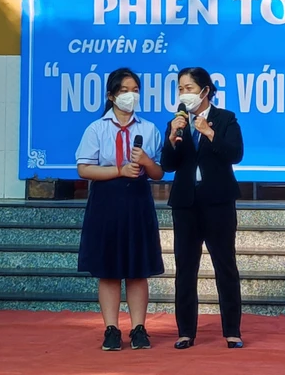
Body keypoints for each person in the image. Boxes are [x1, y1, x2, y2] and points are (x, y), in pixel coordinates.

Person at [75, 68, 165, 351]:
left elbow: (158, 173)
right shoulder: (96, 129)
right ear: (111, 96)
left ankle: (139, 328)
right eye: (125, 90)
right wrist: (119, 170)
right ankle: (111, 329)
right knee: (109, 269)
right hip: (106, 201)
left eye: (135, 90)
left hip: (138, 200)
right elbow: (84, 168)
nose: (131, 96)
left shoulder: (148, 129)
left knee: (138, 269)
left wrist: (146, 161)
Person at [160, 67, 245, 350]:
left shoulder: (225, 119)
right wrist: (172, 138)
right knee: (185, 268)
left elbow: (235, 154)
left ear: (205, 90)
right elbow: (168, 164)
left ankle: (232, 331)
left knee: (225, 265)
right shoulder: (177, 122)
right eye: (180, 89)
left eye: (189, 88)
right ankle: (185, 331)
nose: (184, 94)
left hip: (218, 203)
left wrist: (209, 132)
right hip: (185, 204)